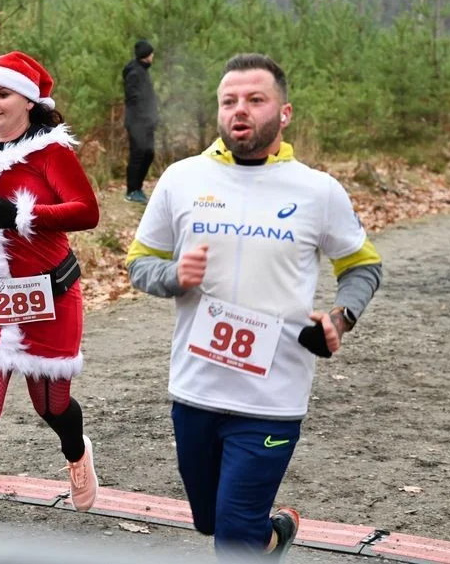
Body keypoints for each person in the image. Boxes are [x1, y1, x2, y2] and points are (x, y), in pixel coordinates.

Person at [126, 53, 383, 560]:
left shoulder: (317, 191)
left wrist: (340, 317)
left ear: (283, 113)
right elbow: (139, 263)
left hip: (273, 396)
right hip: (195, 388)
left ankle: (252, 538)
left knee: (233, 536)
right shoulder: (182, 179)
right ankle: (274, 536)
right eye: (229, 101)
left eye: (254, 99)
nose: (239, 109)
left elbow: (362, 266)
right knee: (211, 519)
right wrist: (173, 276)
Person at [0, 52, 101, 560]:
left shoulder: (53, 153)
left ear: (28, 101)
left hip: (45, 295)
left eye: (1, 94)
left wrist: (26, 214)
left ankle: (76, 452)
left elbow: (87, 212)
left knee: (50, 406)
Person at [122, 39, 157, 204]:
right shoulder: (134, 72)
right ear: (147, 55)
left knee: (149, 153)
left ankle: (138, 187)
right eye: (151, 53)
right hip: (137, 123)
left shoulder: (143, 70)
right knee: (137, 155)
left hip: (147, 122)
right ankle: (131, 190)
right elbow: (133, 99)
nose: (153, 56)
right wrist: (143, 118)